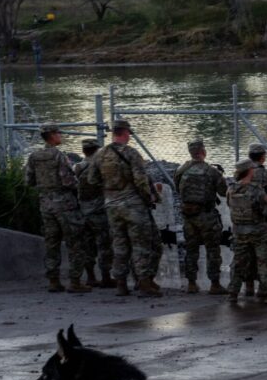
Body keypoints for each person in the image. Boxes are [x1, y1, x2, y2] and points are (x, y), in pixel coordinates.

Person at [86, 119, 163, 297]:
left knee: (119, 244)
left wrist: (110, 190)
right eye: (129, 133)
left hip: (112, 206)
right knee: (141, 244)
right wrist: (150, 198)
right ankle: (144, 283)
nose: (129, 136)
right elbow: (141, 181)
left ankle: (121, 284)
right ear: (125, 132)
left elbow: (92, 180)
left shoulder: (100, 154)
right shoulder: (131, 153)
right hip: (133, 206)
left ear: (113, 133)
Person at [25, 123, 91, 293]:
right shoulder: (59, 156)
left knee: (51, 242)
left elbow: (29, 181)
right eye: (58, 133)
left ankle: (53, 280)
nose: (61, 135)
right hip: (65, 205)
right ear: (52, 135)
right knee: (75, 242)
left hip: (45, 205)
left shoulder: (34, 156)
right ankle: (75, 281)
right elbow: (68, 181)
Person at [226, 157, 267, 304]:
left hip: (239, 231)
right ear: (250, 170)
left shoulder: (231, 189)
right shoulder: (256, 190)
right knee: (264, 261)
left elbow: (230, 206)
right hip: (258, 231)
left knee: (238, 262)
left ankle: (233, 293)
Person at [173, 140, 227, 295]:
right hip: (207, 216)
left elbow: (177, 189)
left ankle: (191, 283)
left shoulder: (181, 170)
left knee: (191, 249)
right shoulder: (211, 171)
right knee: (212, 250)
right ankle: (215, 284)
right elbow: (224, 192)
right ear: (203, 151)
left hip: (188, 216)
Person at [73, 138, 114, 288]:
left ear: (83, 151)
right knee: (104, 244)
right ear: (97, 150)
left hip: (83, 210)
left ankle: (90, 276)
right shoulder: (100, 167)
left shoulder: (78, 167)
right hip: (99, 210)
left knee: (87, 245)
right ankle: (105, 277)